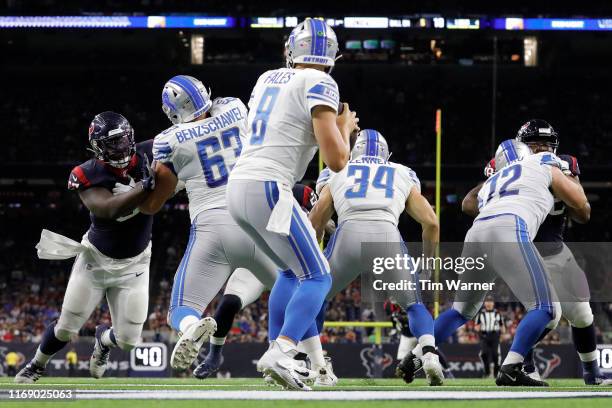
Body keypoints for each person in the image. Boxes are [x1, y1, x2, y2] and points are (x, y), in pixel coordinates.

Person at [226, 18, 359, 390]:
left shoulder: (267, 78)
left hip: (240, 186)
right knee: (319, 276)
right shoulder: (321, 82)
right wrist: (345, 128)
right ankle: (283, 351)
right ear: (331, 56)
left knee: (290, 271)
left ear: (291, 49)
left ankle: (297, 358)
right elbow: (337, 161)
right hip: (269, 186)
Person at [140, 75, 279, 371]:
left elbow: (153, 204)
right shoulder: (235, 108)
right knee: (296, 292)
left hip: (214, 226)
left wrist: (148, 183)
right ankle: (308, 360)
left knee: (181, 308)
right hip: (258, 220)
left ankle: (191, 327)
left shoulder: (169, 141)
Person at [463, 119, 611, 386]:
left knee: (582, 313)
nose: (542, 149)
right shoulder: (509, 164)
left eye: (546, 145)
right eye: (534, 145)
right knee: (548, 313)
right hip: (521, 247)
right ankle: (522, 364)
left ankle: (591, 373)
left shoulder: (562, 164)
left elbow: (583, 213)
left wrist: (560, 185)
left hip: (555, 250)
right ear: (522, 147)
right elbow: (470, 203)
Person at [431, 138, 589, 387]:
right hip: (513, 232)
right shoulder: (544, 163)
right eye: (535, 144)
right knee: (547, 308)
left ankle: (419, 353)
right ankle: (514, 365)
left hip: (478, 232)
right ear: (528, 150)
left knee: (460, 310)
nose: (541, 148)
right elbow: (582, 208)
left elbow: (467, 204)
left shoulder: (494, 178)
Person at [15, 112, 156, 384]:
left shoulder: (151, 151)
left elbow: (183, 141)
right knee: (67, 328)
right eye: (112, 143)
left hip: (136, 264)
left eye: (123, 140)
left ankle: (103, 340)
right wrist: (144, 187)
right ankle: (37, 364)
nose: (121, 147)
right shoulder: (87, 173)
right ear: (97, 146)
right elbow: (107, 209)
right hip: (96, 261)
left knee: (129, 342)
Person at [309, 129, 444, 386]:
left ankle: (316, 364)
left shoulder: (337, 169)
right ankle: (428, 353)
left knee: (314, 296)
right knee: (414, 304)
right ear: (386, 154)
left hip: (348, 233)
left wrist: (313, 255)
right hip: (386, 236)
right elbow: (432, 223)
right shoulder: (401, 172)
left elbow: (316, 218)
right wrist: (427, 266)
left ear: (354, 150)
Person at [474, 297, 505, 378]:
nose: (488, 303)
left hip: (495, 336)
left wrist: (502, 335)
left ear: (493, 303)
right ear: (484, 303)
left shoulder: (497, 313)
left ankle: (496, 373)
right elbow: (476, 326)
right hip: (484, 336)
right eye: (487, 302)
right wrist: (479, 334)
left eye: (490, 302)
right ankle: (487, 371)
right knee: (483, 354)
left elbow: (502, 326)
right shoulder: (481, 313)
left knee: (496, 355)